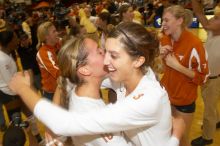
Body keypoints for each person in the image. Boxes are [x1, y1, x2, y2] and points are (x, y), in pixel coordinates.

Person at [9, 22, 182, 146]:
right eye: (103, 51)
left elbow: (63, 122)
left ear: (137, 61)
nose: (106, 61)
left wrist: (23, 88)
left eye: (113, 55)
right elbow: (65, 81)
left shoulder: (147, 98)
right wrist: (50, 128)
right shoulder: (125, 74)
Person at [46, 36, 131, 146]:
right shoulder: (95, 119)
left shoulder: (79, 85)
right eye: (98, 51)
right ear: (85, 70)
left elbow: (63, 83)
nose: (103, 50)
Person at [159, 5, 209, 146]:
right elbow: (162, 69)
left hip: (184, 100)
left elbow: (204, 78)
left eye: (167, 20)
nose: (163, 24)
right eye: (163, 20)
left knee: (182, 140)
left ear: (180, 21)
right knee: (167, 136)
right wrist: (160, 55)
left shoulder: (195, 44)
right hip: (166, 97)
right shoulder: (165, 40)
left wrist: (178, 67)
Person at [190, 1, 220, 146]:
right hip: (208, 78)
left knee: (208, 109)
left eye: (216, 18)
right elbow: (199, 13)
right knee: (212, 105)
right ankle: (217, 121)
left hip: (213, 79)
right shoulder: (210, 31)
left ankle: (207, 137)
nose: (212, 19)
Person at [36, 21, 60, 100]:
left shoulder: (58, 44)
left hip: (62, 88)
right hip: (52, 93)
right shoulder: (43, 53)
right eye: (54, 32)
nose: (57, 33)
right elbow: (57, 72)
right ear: (46, 36)